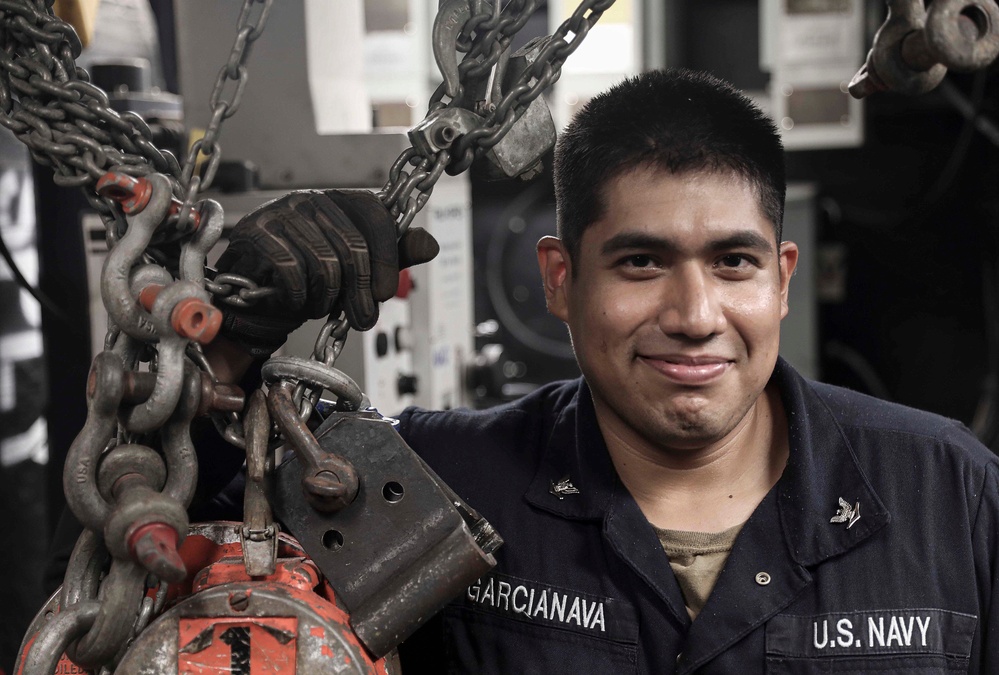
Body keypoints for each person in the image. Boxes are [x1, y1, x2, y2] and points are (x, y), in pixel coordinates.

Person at [53, 67, 999, 673]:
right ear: (561, 279)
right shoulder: (434, 487)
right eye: (640, 262)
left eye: (732, 261)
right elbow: (165, 544)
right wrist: (228, 342)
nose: (695, 315)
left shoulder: (944, 492)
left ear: (781, 278)